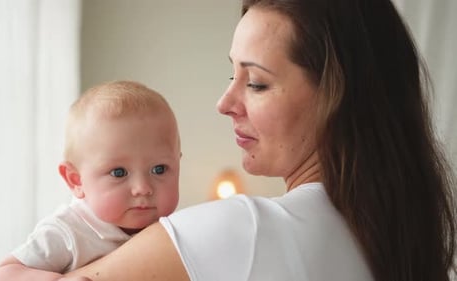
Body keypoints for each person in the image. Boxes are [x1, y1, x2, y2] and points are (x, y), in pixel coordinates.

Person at [61, 0, 457, 280]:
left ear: (338, 96)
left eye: (256, 83)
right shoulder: (393, 238)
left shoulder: (247, 231)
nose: (225, 103)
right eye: (231, 75)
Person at [0, 80, 182, 280]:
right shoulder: (68, 232)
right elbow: (3, 275)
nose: (143, 188)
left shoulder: (170, 229)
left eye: (159, 169)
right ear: (76, 181)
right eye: (119, 172)